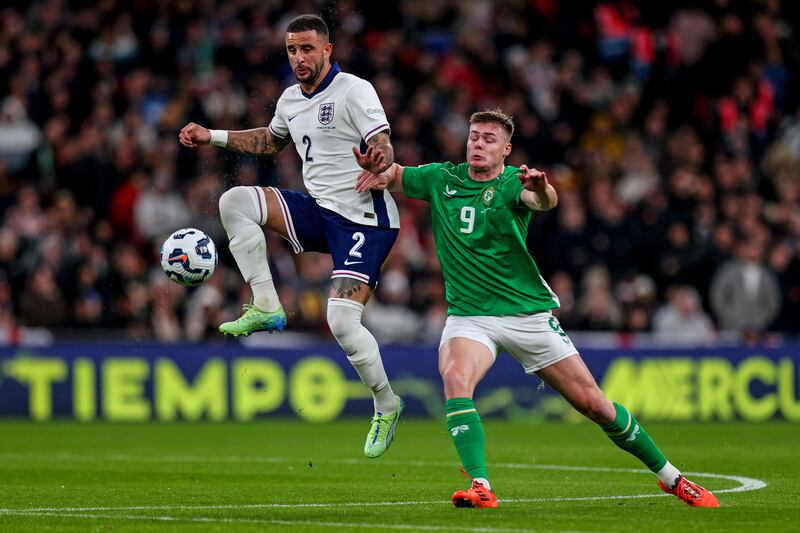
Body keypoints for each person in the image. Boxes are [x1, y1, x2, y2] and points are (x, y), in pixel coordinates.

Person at [355, 109, 719, 508]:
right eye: (474, 136)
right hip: (470, 317)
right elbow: (396, 174)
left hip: (527, 315)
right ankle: (481, 486)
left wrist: (543, 187)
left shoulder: (514, 183)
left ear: (506, 150)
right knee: (456, 379)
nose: (478, 143)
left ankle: (672, 478)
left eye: (488, 139)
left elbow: (543, 200)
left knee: (595, 404)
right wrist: (379, 168)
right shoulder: (443, 178)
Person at [179, 15, 402, 458]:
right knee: (235, 201)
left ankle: (386, 403)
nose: (299, 58)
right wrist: (212, 136)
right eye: (292, 51)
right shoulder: (289, 100)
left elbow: (384, 141)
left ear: (327, 50)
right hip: (318, 211)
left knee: (341, 322)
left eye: (307, 49)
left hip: (365, 220)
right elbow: (270, 141)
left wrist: (379, 159)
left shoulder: (354, 90)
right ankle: (266, 304)